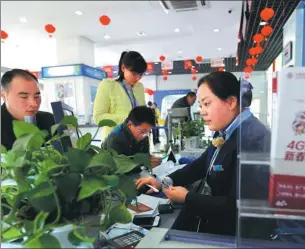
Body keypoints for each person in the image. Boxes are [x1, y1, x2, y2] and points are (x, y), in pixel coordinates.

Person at [136, 72, 273, 236]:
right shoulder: (226, 131)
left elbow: (238, 205)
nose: (201, 111)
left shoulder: (253, 140)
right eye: (200, 105)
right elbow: (202, 164)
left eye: (206, 104)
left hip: (239, 235)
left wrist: (187, 197)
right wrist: (164, 181)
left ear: (231, 102)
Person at [93, 51, 147, 141]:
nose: (137, 78)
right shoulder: (108, 85)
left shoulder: (139, 87)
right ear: (123, 68)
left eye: (140, 75)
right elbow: (98, 117)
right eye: (134, 74)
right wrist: (128, 121)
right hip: (114, 142)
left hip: (137, 142)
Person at [1, 69, 55, 150]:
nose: (34, 104)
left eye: (36, 96)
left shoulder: (49, 120)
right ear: (4, 96)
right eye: (24, 97)